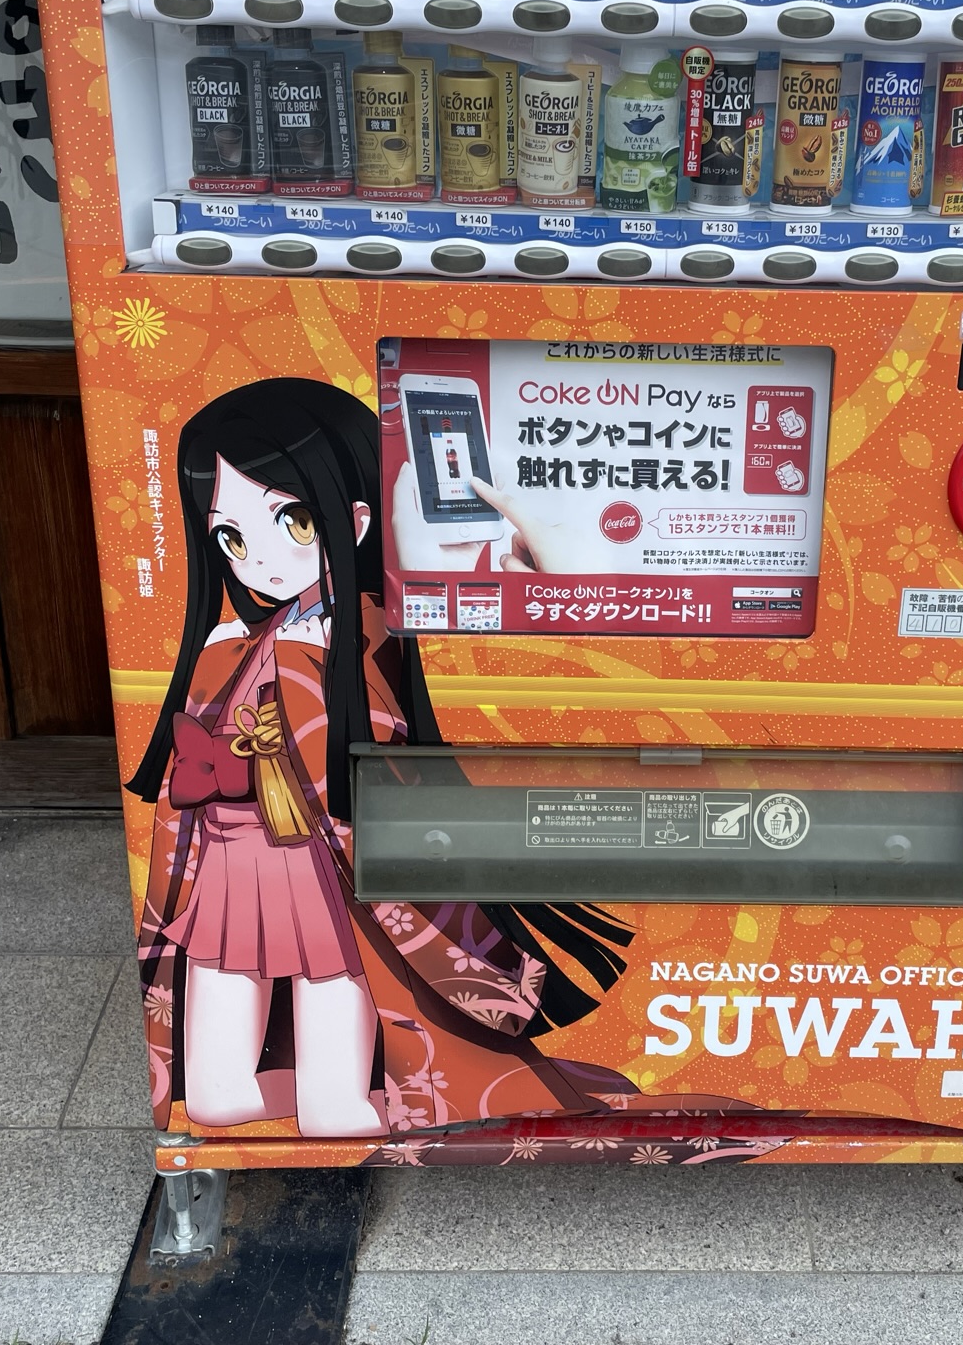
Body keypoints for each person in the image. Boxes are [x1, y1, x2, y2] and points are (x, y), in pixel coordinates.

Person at [127, 378, 636, 1134]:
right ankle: (381, 1086)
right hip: (229, 874)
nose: (258, 560)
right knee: (213, 1101)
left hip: (323, 880)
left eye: (292, 521)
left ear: (355, 518)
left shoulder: (359, 633)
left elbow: (371, 746)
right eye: (231, 537)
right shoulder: (237, 641)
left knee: (331, 1116)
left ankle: (400, 1092)